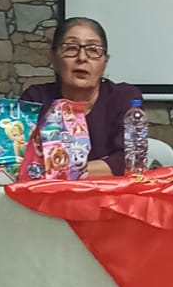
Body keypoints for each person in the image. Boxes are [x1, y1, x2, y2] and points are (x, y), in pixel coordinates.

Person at [20, 17, 142, 177]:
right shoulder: (35, 98)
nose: (82, 58)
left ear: (105, 62)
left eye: (93, 50)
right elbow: (19, 159)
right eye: (71, 48)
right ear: (54, 58)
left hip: (108, 192)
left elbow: (130, 161)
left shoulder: (123, 98)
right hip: (49, 192)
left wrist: (64, 171)